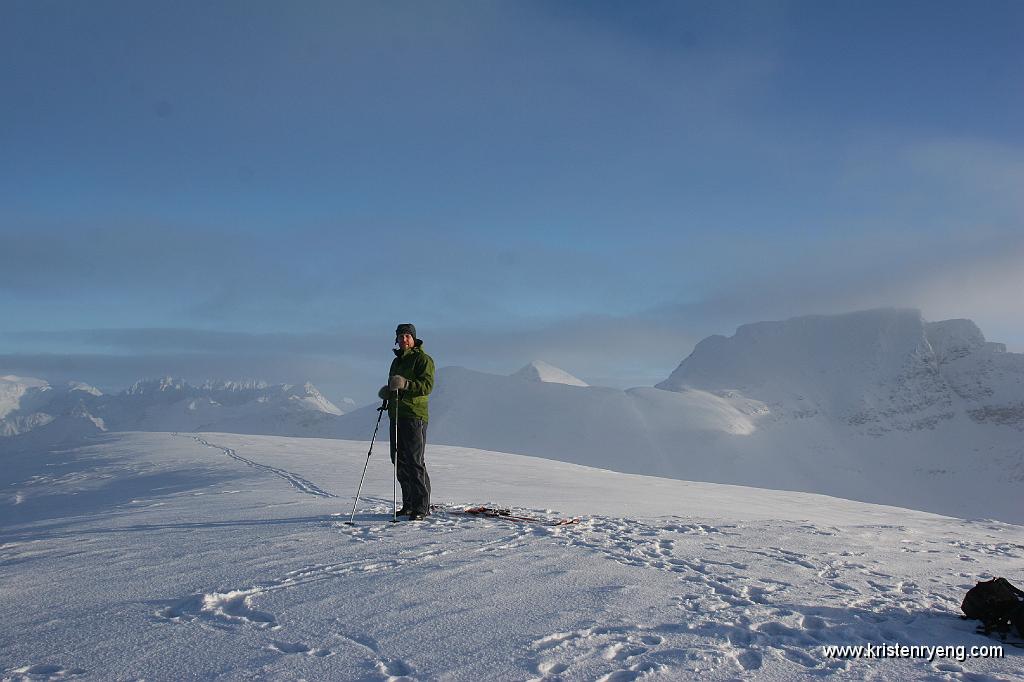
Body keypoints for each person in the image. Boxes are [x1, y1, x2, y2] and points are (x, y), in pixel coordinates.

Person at [378, 323, 435, 520]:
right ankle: (408, 505)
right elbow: (393, 385)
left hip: (414, 414)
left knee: (414, 460)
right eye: (400, 336)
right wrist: (387, 393)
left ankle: (421, 507)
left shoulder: (423, 360)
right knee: (399, 460)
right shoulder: (396, 362)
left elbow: (427, 386)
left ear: (414, 338)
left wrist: (406, 384)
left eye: (407, 336)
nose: (404, 340)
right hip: (396, 414)